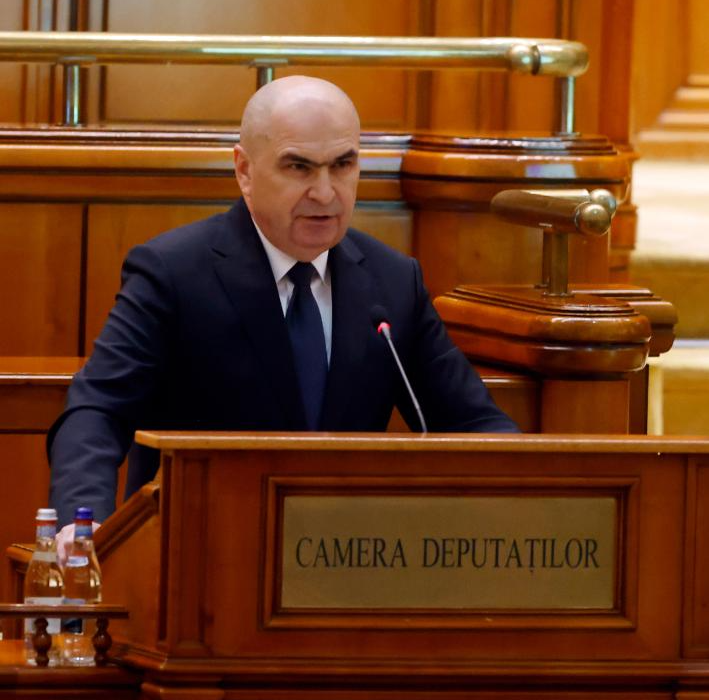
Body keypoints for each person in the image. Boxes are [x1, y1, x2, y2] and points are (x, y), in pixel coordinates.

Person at [48, 75, 518, 555]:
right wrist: (84, 525)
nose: (325, 192)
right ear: (244, 170)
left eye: (343, 165)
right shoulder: (173, 273)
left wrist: (533, 497)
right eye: (299, 167)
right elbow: (98, 411)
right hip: (202, 560)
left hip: (348, 566)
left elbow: (474, 423)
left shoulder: (393, 282)